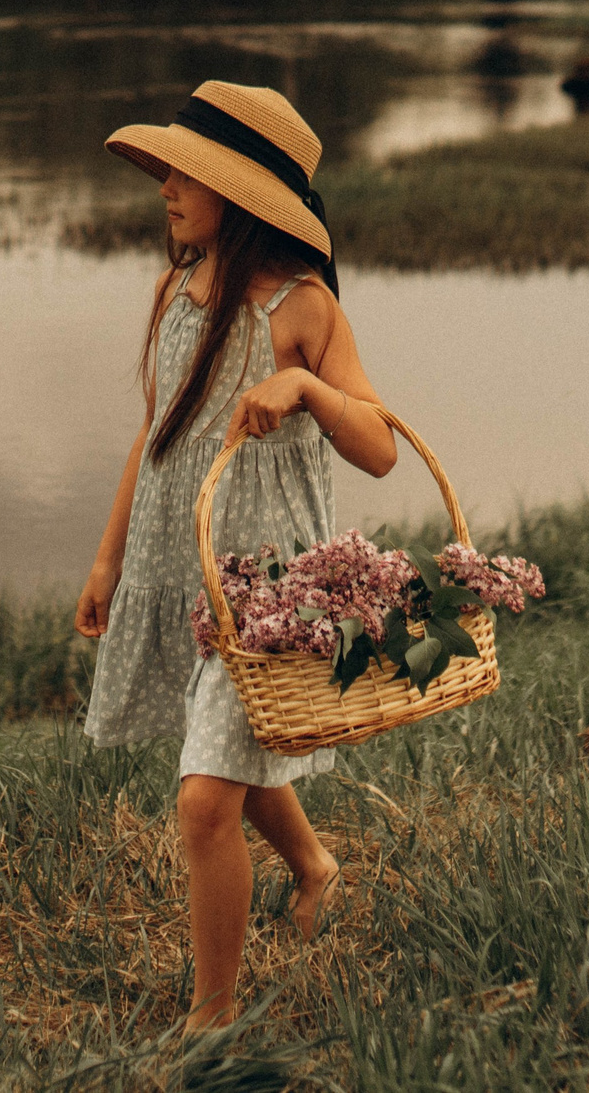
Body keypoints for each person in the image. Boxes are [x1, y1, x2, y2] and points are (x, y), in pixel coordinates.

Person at [76, 80, 401, 1032]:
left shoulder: (302, 308)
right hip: (180, 574)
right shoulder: (181, 287)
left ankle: (210, 1023)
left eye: (189, 171)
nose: (167, 185)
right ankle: (314, 864)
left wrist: (302, 384)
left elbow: (381, 445)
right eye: (170, 166)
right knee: (226, 746)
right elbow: (157, 430)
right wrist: (108, 560)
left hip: (265, 594)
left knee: (207, 797)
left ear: (247, 193)